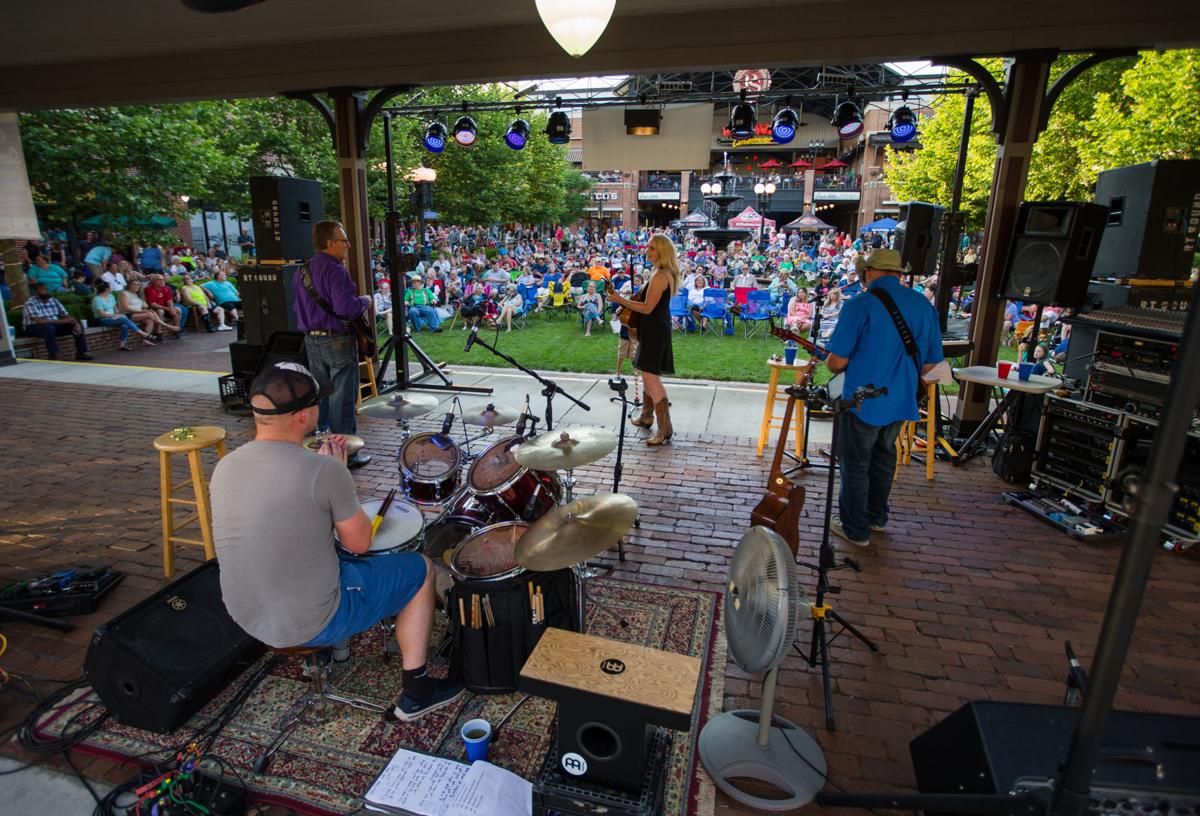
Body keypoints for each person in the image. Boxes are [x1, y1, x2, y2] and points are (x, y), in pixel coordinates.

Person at [210, 362, 463, 721]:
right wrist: (340, 474)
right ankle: (417, 691)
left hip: (244, 614)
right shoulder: (323, 470)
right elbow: (359, 543)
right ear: (304, 415)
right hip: (308, 621)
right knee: (420, 569)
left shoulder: (226, 466)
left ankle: (329, 651)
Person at [824, 249, 944, 548]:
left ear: (869, 272)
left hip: (862, 401)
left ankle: (855, 529)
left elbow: (836, 362)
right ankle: (877, 518)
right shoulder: (922, 304)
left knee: (855, 464)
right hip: (902, 399)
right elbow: (931, 363)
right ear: (898, 273)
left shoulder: (860, 305)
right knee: (884, 458)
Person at [294, 220, 372, 469]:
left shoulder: (303, 270)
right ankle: (344, 453)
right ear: (330, 244)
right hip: (336, 340)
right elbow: (345, 308)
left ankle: (321, 445)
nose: (348, 245)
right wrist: (365, 301)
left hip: (311, 340)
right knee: (342, 398)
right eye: (343, 240)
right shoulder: (336, 270)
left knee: (321, 395)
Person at [604, 233, 679, 446]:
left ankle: (665, 429)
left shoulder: (661, 275)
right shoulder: (658, 272)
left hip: (655, 331)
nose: (648, 251)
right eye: (648, 247)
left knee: (652, 378)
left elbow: (647, 308)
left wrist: (619, 299)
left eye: (653, 248)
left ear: (662, 251)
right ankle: (647, 417)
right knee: (647, 376)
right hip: (653, 329)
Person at [22, 284, 93, 360]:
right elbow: (39, 320)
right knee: (48, 327)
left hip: (53, 325)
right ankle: (53, 355)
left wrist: (76, 323)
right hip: (33, 327)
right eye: (43, 290)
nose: (46, 291)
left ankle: (81, 353)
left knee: (76, 325)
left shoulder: (53, 300)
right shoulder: (31, 302)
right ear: (36, 292)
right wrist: (62, 321)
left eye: (46, 289)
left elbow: (65, 315)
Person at [92, 280, 157, 350]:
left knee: (124, 325)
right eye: (110, 287)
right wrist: (115, 316)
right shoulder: (97, 299)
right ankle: (143, 334)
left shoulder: (111, 296)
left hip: (114, 317)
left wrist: (117, 315)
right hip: (103, 319)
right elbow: (102, 314)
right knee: (124, 318)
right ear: (107, 289)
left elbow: (116, 309)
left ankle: (122, 345)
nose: (111, 288)